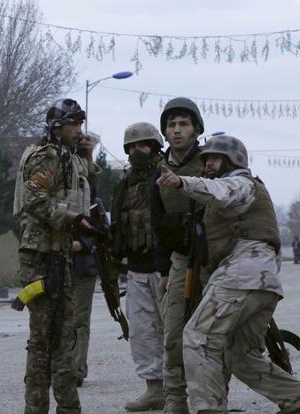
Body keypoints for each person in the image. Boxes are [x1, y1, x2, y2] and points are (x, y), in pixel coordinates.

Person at [157, 134, 300, 414]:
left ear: (234, 160)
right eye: (205, 159)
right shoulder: (245, 196)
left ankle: (208, 409)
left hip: (242, 276)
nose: (208, 164)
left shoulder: (242, 184)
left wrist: (183, 181)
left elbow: (220, 192)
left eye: (215, 159)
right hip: (261, 282)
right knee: (242, 357)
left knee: (198, 338)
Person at [14, 99, 96, 414]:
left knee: (65, 333)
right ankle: (35, 408)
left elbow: (88, 194)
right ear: (56, 127)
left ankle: (69, 407)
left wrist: (88, 159)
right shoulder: (45, 156)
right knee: (42, 339)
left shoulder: (71, 158)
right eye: (73, 125)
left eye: (80, 124)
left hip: (60, 252)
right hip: (40, 257)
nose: (78, 131)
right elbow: (35, 198)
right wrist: (72, 217)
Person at [149, 97, 208, 414]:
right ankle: (175, 397)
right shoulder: (158, 171)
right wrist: (162, 272)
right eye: (171, 125)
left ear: (197, 129)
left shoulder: (212, 162)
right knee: (173, 333)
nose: (176, 130)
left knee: (211, 335)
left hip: (213, 259)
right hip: (179, 260)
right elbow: (156, 224)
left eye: (183, 123)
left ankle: (211, 396)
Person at [111, 122, 165, 411]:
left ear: (155, 146)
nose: (136, 151)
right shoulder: (124, 184)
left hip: (166, 267)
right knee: (143, 333)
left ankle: (182, 388)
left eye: (142, 145)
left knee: (174, 329)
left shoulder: (167, 176)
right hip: (136, 268)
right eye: (131, 147)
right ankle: (155, 389)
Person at [71, 132, 101, 387]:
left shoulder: (90, 181)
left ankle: (76, 369)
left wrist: (85, 243)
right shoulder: (54, 167)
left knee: (79, 320)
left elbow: (99, 225)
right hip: (55, 260)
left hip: (82, 262)